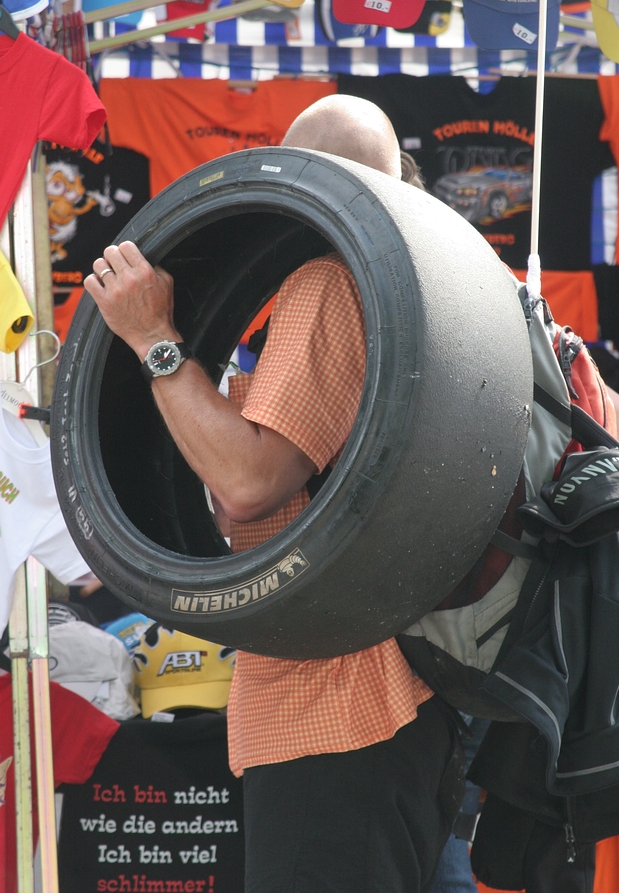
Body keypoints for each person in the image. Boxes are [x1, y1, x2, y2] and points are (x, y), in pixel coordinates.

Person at [84, 94, 465, 893]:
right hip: (406, 700)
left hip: (330, 705)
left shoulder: (329, 283)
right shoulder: (430, 291)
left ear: (310, 180)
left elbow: (247, 484)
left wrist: (155, 340)